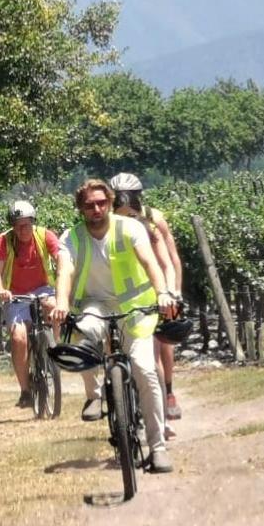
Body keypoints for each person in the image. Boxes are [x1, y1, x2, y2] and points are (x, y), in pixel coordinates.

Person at [51, 179, 179, 473]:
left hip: (135, 309)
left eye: (101, 203)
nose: (96, 209)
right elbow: (65, 272)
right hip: (95, 305)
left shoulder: (130, 228)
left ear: (109, 202)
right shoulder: (71, 237)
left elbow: (150, 263)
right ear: (80, 209)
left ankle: (157, 448)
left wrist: (162, 293)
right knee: (83, 335)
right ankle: (94, 396)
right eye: (89, 205)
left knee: (145, 371)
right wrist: (61, 303)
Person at [110, 173, 185, 423]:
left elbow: (171, 259)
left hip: (161, 287)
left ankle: (168, 392)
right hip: (128, 292)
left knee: (165, 340)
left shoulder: (154, 219)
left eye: (130, 198)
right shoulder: (108, 223)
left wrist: (175, 291)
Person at [0, 200, 62, 410]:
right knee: (18, 338)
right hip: (15, 294)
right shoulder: (3, 241)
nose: (22, 230)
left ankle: (52, 348)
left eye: (26, 224)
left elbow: (60, 258)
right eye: (17, 225)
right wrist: (0, 289)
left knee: (54, 308)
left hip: (43, 289)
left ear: (33, 222)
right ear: (12, 225)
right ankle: (25, 390)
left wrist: (64, 278)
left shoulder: (45, 235)